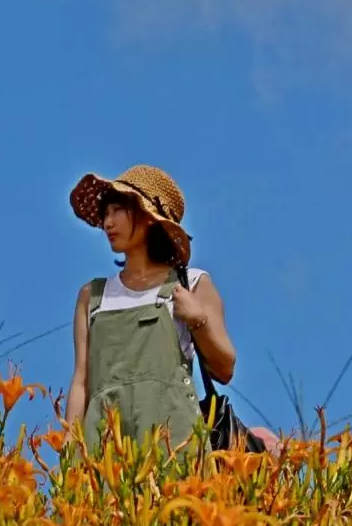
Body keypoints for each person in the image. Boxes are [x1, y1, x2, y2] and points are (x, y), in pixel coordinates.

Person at [63, 164, 276, 455]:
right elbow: (81, 382)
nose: (107, 222)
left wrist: (197, 318)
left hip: (175, 447)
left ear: (149, 217)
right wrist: (70, 449)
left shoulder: (193, 284)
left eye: (117, 211)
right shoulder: (93, 295)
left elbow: (225, 367)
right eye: (105, 214)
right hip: (104, 454)